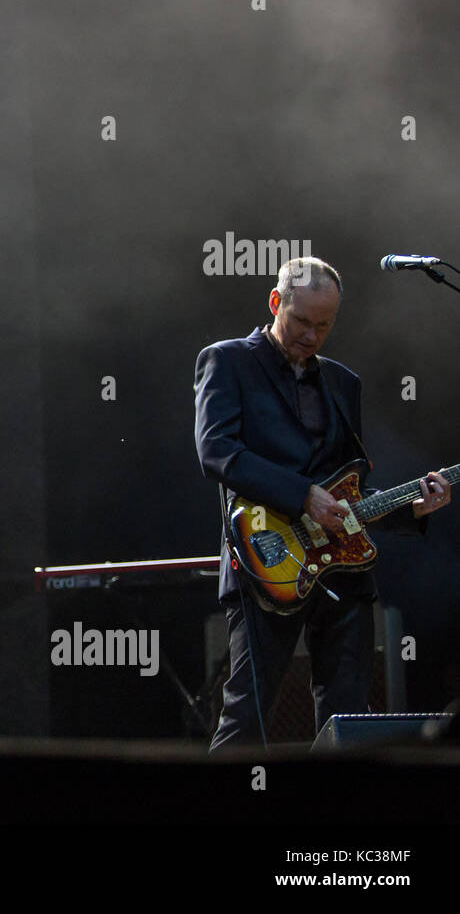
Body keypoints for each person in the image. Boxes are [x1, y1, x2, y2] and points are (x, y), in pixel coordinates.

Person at [194, 257, 451, 748]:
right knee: (246, 719)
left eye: (324, 326)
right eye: (301, 323)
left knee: (348, 722)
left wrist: (410, 508)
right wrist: (301, 495)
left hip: (344, 570)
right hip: (267, 559)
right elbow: (217, 451)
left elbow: (346, 492)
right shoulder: (227, 361)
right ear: (276, 303)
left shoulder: (341, 382)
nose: (311, 337)